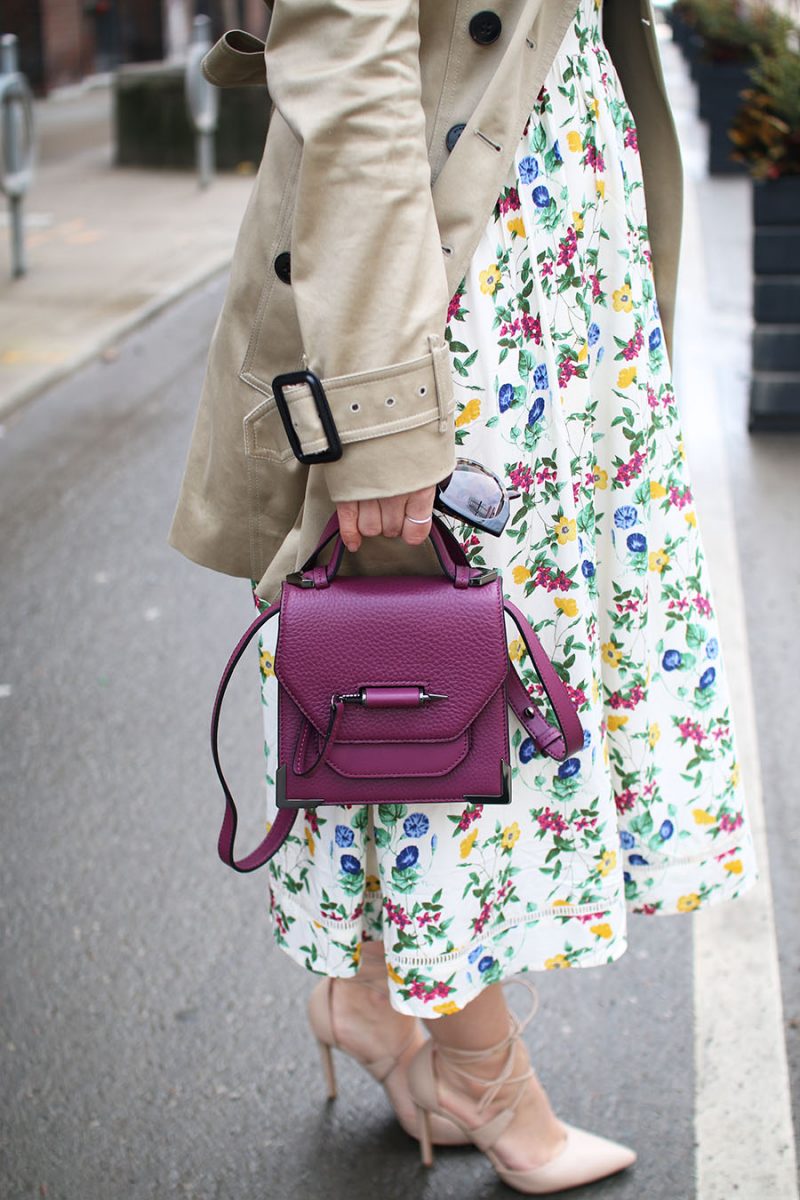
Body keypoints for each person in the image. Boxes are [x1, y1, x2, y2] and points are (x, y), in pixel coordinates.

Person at [169, 0, 759, 1191]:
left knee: (459, 663)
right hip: (458, 286)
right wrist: (383, 415)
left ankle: (378, 1000)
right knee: (431, 674)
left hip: (554, 265)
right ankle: (482, 1079)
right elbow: (350, 56)